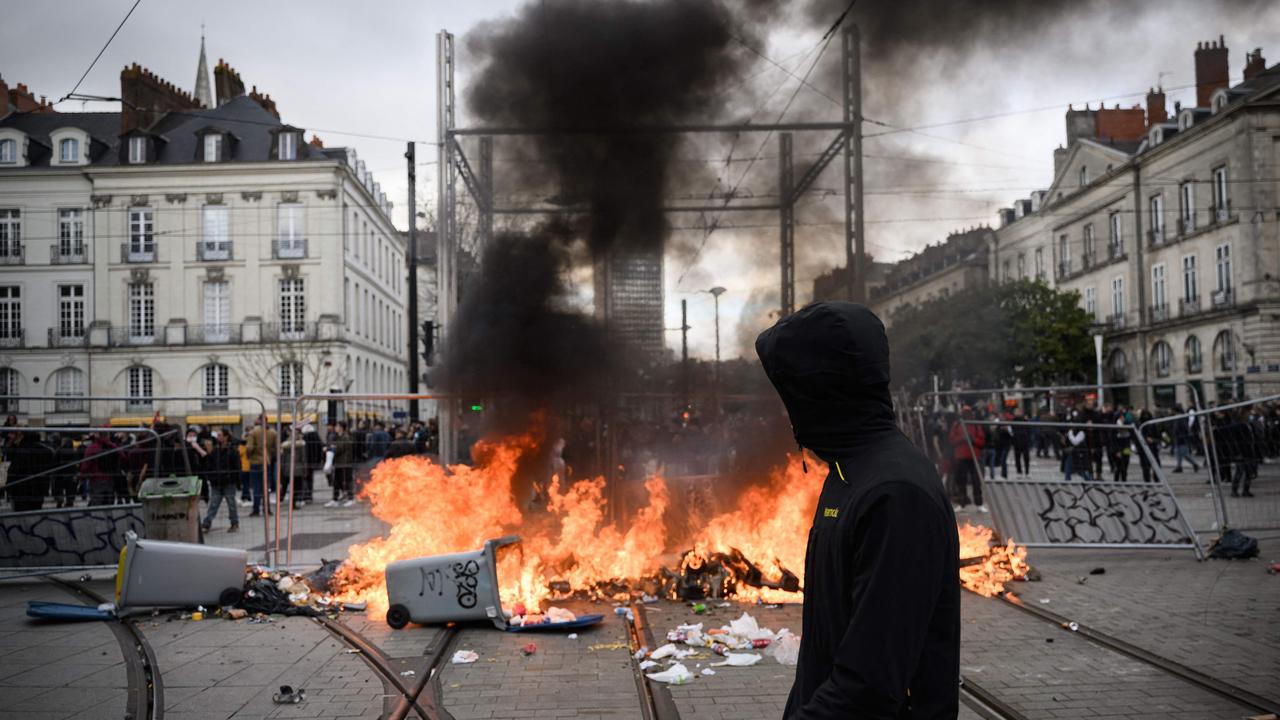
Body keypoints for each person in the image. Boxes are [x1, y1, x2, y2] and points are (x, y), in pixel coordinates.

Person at [755, 302, 959, 718]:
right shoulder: (849, 472)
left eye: (791, 395)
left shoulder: (895, 494)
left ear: (819, 393)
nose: (786, 413)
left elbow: (869, 684)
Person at [202, 429, 241, 532]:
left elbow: (237, 467)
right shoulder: (215, 450)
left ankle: (234, 522)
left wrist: (234, 479)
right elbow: (210, 464)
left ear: (226, 437)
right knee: (214, 503)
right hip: (217, 481)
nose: (218, 437)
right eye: (217, 435)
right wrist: (211, 477)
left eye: (220, 435)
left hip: (228, 482)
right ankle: (207, 522)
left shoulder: (232, 451)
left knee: (231, 503)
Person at [948, 407, 986, 512]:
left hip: (974, 457)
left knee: (976, 481)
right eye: (965, 413)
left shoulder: (976, 425)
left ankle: (979, 503)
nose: (967, 414)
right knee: (961, 481)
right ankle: (962, 503)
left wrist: (973, 439)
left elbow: (982, 441)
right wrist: (962, 438)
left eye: (968, 413)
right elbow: (952, 440)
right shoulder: (957, 425)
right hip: (961, 457)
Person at [6, 430, 52, 512]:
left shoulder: (22, 451)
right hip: (39, 490)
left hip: (21, 491)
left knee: (21, 516)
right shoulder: (47, 451)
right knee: (35, 513)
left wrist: (9, 487)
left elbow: (14, 470)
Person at [244, 416, 278, 517]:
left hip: (255, 462)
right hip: (266, 461)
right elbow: (276, 448)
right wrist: (270, 455)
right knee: (266, 487)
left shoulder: (253, 432)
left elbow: (249, 448)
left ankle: (256, 509)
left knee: (256, 487)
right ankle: (267, 509)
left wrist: (249, 456)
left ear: (259, 420)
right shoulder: (272, 432)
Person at [80, 432, 120, 506]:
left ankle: (99, 517)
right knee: (109, 503)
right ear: (108, 436)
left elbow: (85, 465)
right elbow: (123, 457)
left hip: (96, 479)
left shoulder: (92, 448)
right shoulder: (113, 446)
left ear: (97, 436)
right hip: (110, 478)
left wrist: (82, 476)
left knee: (97, 504)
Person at [1172, 408, 1201, 473]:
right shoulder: (1178, 418)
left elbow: (1184, 429)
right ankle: (1179, 466)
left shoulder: (1181, 418)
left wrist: (1181, 436)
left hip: (1182, 439)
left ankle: (1195, 464)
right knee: (1178, 453)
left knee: (1185, 454)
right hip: (1179, 439)